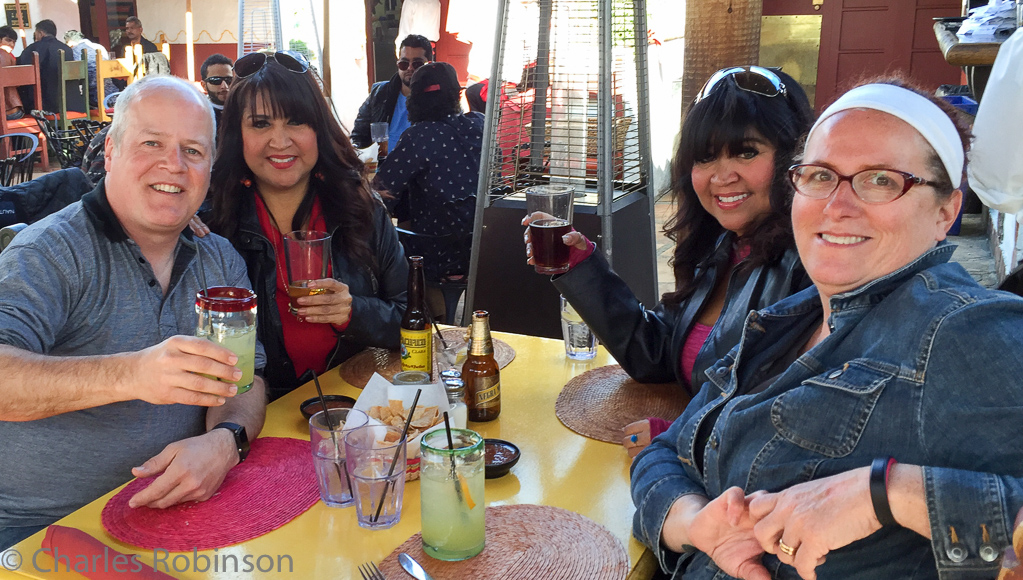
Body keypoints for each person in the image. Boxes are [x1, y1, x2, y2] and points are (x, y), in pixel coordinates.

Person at [630, 78, 1023, 580]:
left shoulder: (962, 328)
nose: (838, 205)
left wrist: (888, 494)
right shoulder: (784, 322)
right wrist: (695, 523)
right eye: (820, 176)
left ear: (946, 211)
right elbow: (664, 452)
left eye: (881, 180)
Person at [0, 75, 267, 550]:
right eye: (152, 143)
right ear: (110, 154)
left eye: (193, 150)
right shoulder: (49, 253)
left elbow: (244, 378)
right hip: (43, 530)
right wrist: (133, 374)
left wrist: (227, 441)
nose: (174, 165)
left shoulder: (219, 258)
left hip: (184, 513)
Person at [526, 67, 814, 457]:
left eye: (747, 152)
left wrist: (683, 437)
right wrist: (580, 267)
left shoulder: (813, 267)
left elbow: (803, 417)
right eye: (705, 157)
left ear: (794, 157)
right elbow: (656, 357)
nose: (721, 176)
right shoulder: (720, 248)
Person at [207, 51, 407, 401]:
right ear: (237, 134)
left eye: (296, 121)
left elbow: (411, 319)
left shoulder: (360, 209)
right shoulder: (213, 222)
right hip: (254, 414)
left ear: (319, 127)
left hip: (354, 408)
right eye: (260, 124)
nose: (280, 141)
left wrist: (354, 312)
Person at [372, 62, 482, 320]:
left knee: (380, 227)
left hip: (437, 251)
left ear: (415, 99)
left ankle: (416, 314)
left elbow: (379, 192)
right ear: (456, 95)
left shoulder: (419, 135)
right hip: (482, 245)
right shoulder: (480, 123)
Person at [350, 34, 433, 149]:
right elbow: (358, 137)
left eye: (417, 64)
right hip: (381, 165)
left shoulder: (439, 99)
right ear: (398, 64)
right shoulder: (379, 93)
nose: (410, 68)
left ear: (429, 65)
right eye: (404, 63)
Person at [16, 19, 83, 114]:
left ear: (40, 33)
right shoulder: (67, 49)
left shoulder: (34, 49)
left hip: (47, 106)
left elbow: (22, 73)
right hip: (72, 104)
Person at [64, 29, 118, 109]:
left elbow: (74, 78)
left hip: (96, 99)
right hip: (113, 95)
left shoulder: (75, 51)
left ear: (70, 42)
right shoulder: (98, 47)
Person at [200, 53, 234, 133]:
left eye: (228, 80)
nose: (224, 86)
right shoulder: (198, 113)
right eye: (216, 80)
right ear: (204, 85)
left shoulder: (243, 109)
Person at [0, 26, 24, 120]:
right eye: (8, 40)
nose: (11, 44)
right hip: (13, 111)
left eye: (13, 42)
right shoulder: (10, 57)